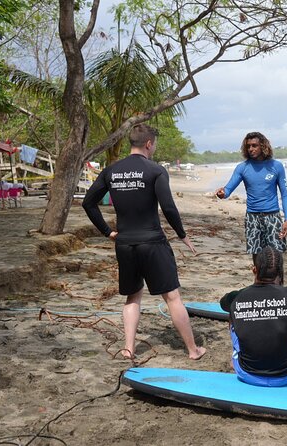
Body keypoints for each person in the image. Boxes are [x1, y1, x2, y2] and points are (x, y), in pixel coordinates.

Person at [82, 123, 205, 361]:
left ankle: (128, 348)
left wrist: (107, 231)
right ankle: (193, 350)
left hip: (125, 243)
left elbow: (89, 203)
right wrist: (182, 235)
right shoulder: (155, 170)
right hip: (152, 242)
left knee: (133, 296)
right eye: (155, 144)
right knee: (172, 297)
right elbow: (168, 207)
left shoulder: (111, 171)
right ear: (149, 143)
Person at [219, 247, 287, 386]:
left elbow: (223, 303)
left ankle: (236, 357)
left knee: (233, 311)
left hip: (246, 373)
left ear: (254, 270)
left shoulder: (238, 296)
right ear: (280, 272)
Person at [215, 132, 287, 264]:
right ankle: (259, 282)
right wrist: (222, 193)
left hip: (273, 216)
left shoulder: (276, 166)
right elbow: (228, 189)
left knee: (276, 256)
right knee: (257, 256)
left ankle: (278, 284)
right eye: (248, 146)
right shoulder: (242, 168)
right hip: (252, 218)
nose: (251, 149)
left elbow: (284, 194)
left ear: (263, 146)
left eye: (254, 145)